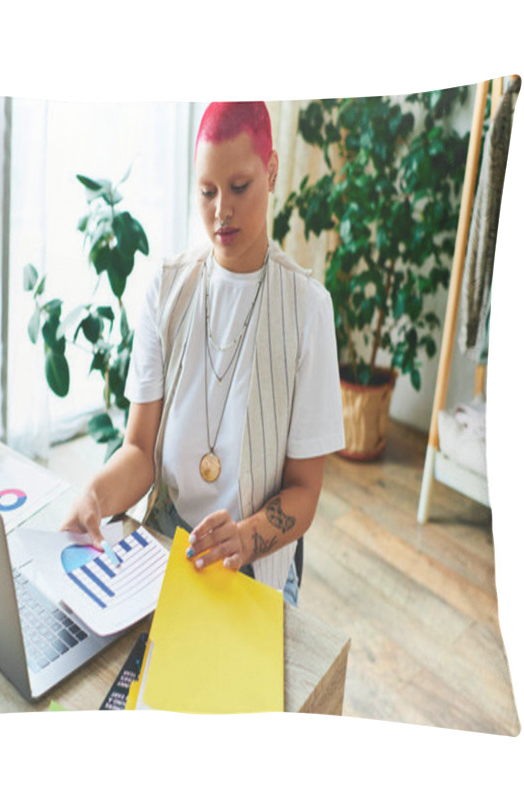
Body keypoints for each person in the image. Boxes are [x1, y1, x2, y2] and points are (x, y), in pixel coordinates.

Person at [61, 101, 344, 606]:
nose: (221, 211)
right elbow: (139, 452)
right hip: (164, 543)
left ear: (272, 170)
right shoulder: (168, 288)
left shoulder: (307, 309)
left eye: (239, 187)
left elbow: (304, 493)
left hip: (255, 564)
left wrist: (246, 537)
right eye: (207, 192)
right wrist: (95, 496)